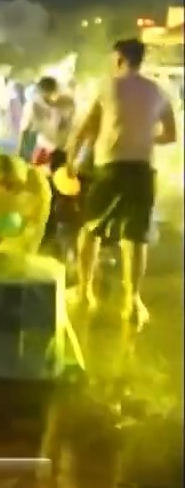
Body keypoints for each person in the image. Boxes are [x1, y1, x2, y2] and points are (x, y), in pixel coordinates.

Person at [64, 38, 177, 326]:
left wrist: (70, 161)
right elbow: (170, 135)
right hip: (143, 170)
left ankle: (85, 291)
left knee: (91, 229)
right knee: (135, 237)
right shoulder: (157, 91)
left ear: (119, 59)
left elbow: (84, 129)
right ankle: (133, 301)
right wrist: (143, 138)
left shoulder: (108, 86)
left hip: (111, 168)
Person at [0, 153, 51, 255]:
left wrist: (25, 248)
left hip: (21, 226)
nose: (6, 188)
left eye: (10, 183)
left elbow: (36, 225)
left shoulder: (38, 185)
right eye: (1, 183)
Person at [18, 76, 76, 166]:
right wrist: (21, 154)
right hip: (44, 149)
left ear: (56, 90)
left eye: (53, 94)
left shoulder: (67, 102)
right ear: (40, 93)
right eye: (46, 97)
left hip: (63, 149)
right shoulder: (32, 106)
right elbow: (25, 131)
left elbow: (72, 126)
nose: (51, 99)